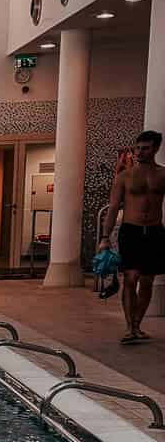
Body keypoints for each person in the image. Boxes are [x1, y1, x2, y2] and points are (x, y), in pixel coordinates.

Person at [99, 130, 165, 343]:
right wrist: (105, 237)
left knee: (147, 280)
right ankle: (129, 327)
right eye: (138, 148)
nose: (140, 152)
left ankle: (137, 324)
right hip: (131, 230)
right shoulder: (125, 176)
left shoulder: (163, 175)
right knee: (130, 278)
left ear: (156, 148)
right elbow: (113, 208)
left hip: (154, 231)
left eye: (145, 148)